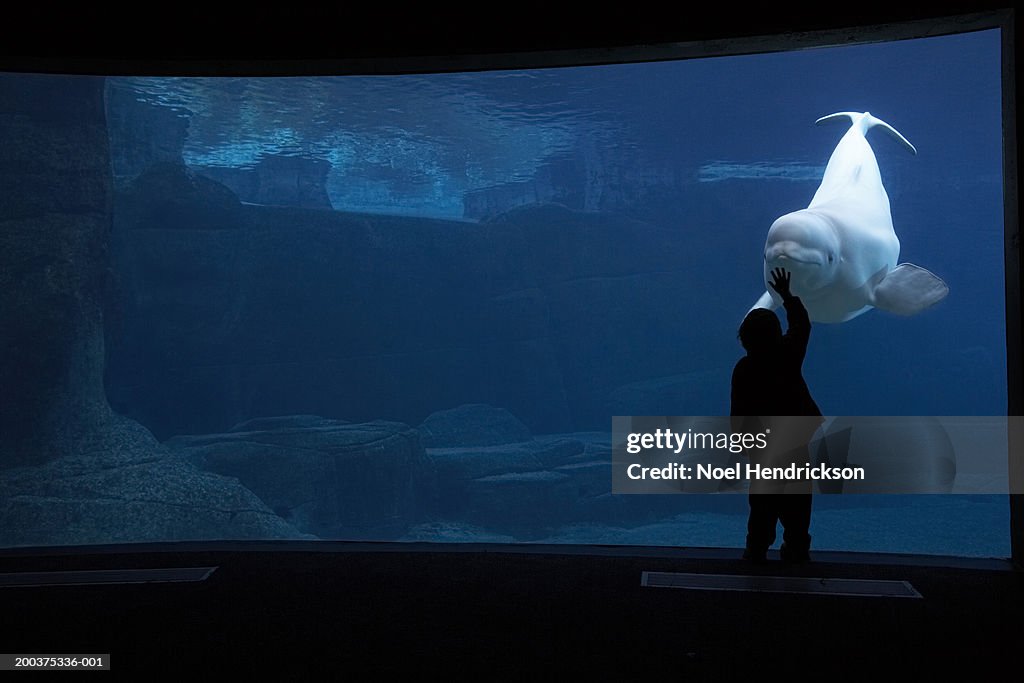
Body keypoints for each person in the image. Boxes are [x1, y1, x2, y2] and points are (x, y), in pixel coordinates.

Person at [731, 267, 823, 563]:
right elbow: (801, 326)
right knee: (798, 502)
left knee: (762, 503)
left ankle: (755, 549)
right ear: (776, 335)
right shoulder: (788, 353)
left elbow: (739, 411)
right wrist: (787, 296)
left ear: (744, 340)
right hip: (795, 441)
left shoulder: (744, 369)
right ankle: (797, 549)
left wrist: (741, 443)